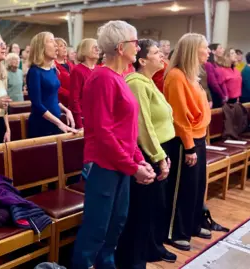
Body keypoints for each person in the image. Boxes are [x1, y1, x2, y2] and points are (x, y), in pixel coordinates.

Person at [71, 21, 156, 269]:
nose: (138, 46)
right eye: (135, 41)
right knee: (96, 230)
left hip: (120, 164)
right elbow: (103, 132)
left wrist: (139, 159)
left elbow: (127, 129)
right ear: (121, 47)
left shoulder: (121, 77)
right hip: (104, 165)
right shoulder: (101, 79)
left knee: (115, 225)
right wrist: (133, 166)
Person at [115, 39, 177, 269]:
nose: (162, 55)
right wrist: (158, 155)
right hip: (146, 152)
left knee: (153, 209)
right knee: (141, 212)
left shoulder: (149, 82)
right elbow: (143, 125)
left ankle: (148, 250)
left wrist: (163, 153)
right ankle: (132, 261)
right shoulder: (137, 83)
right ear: (142, 60)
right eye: (156, 52)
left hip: (158, 149)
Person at [163, 33, 212, 251]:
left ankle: (192, 224)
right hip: (184, 141)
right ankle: (175, 231)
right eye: (205, 47)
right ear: (193, 50)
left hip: (198, 137)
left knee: (197, 186)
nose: (208, 51)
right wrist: (190, 146)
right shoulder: (175, 76)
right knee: (181, 188)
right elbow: (179, 116)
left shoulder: (192, 75)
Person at [26, 32, 77, 138]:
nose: (55, 45)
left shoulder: (52, 70)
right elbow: (37, 104)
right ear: (41, 47)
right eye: (51, 41)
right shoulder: (34, 71)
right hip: (41, 124)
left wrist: (66, 110)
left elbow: (53, 98)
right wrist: (59, 123)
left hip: (55, 121)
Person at [69, 38, 99, 130]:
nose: (97, 50)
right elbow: (74, 98)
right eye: (94, 47)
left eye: (98, 47)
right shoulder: (78, 70)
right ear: (85, 50)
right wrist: (79, 123)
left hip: (98, 116)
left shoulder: (99, 69)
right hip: (84, 117)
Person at [205, 43, 228, 107]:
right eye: (220, 48)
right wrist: (222, 96)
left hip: (221, 94)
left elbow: (222, 81)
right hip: (215, 94)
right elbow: (213, 83)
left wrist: (226, 94)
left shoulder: (217, 64)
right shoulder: (208, 64)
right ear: (213, 51)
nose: (223, 50)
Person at [54, 38, 75, 106]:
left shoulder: (71, 64)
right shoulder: (53, 66)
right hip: (61, 102)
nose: (64, 48)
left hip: (73, 101)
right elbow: (56, 87)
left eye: (65, 46)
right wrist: (70, 95)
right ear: (55, 49)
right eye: (61, 46)